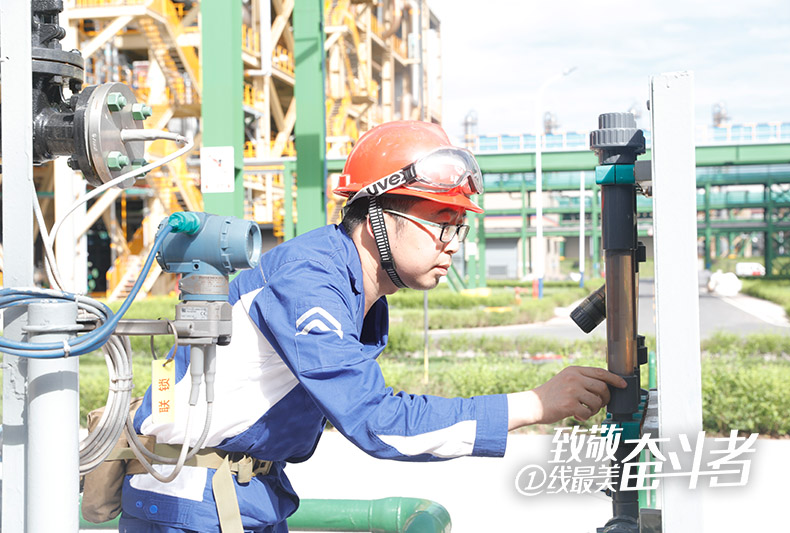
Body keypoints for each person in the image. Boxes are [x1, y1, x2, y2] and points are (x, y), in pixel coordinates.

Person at [119, 120, 626, 532]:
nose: (454, 243)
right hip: (189, 505)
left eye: (460, 226)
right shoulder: (311, 279)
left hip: (245, 496)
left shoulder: (359, 291)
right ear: (378, 215)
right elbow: (376, 421)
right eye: (441, 222)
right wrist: (534, 404)